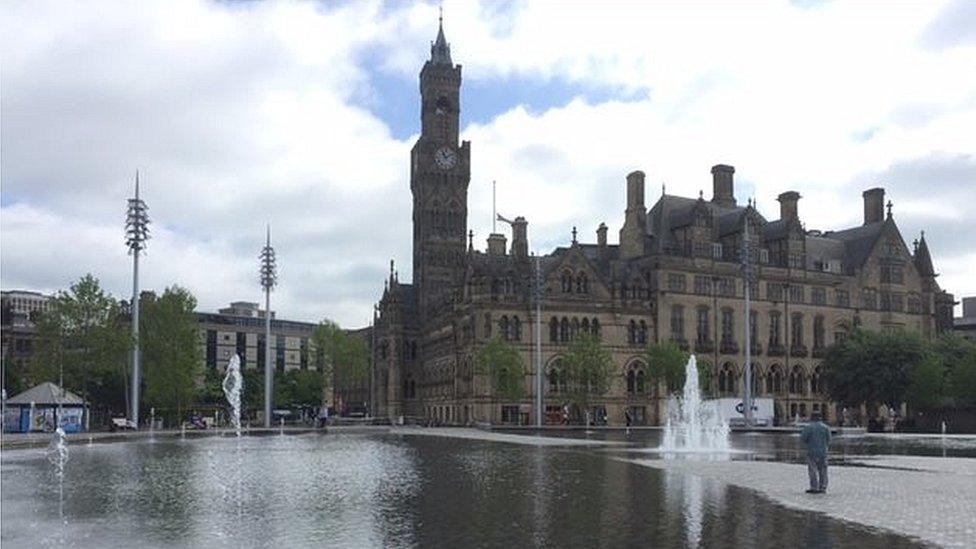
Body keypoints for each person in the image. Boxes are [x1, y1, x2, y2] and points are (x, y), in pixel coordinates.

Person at [800, 411, 830, 494]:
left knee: (812, 470)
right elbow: (829, 439)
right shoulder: (826, 427)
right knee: (823, 470)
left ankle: (814, 487)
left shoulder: (808, 427)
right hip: (823, 452)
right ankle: (823, 487)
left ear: (812, 418)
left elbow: (803, 439)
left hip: (811, 451)